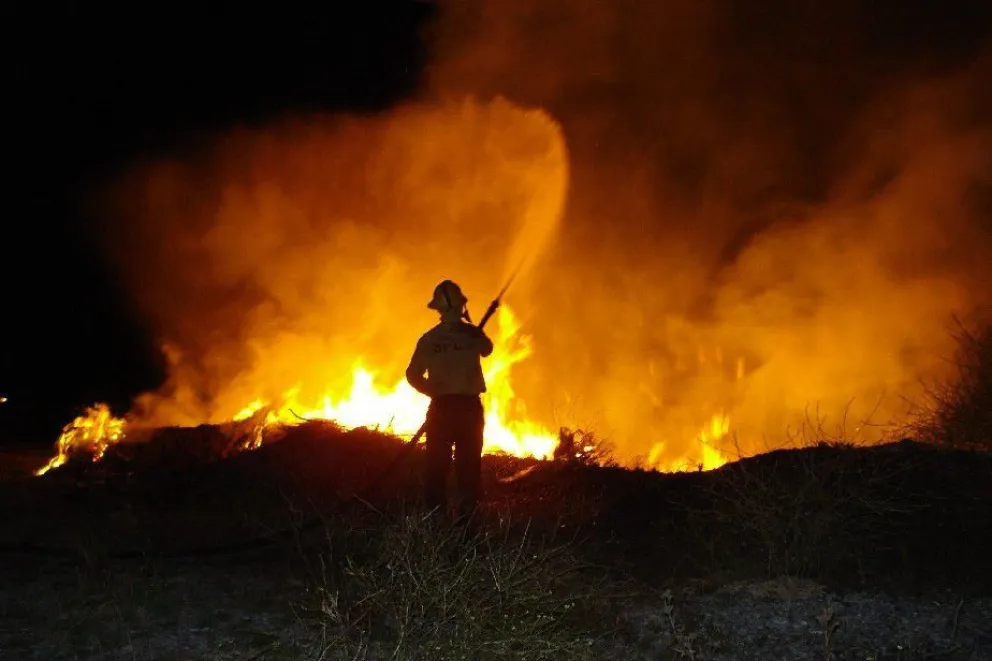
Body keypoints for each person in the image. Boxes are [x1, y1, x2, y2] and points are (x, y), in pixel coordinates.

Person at [405, 280, 494, 522]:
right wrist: (474, 327)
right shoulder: (473, 335)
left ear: (439, 309)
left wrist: (431, 390)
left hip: (441, 410)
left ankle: (435, 520)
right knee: (469, 468)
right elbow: (488, 349)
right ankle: (469, 522)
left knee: (436, 466)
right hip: (469, 409)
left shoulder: (429, 339)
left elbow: (412, 375)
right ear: (461, 306)